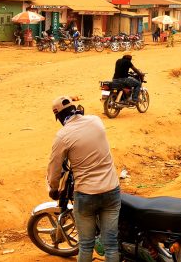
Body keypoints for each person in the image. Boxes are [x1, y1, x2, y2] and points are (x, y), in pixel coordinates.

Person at [47, 96, 120, 262]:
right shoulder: (96, 121)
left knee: (86, 244)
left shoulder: (62, 136)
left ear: (59, 117)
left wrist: (53, 188)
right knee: (111, 245)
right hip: (111, 190)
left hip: (86, 194)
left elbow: (55, 167)